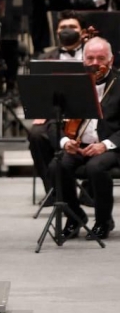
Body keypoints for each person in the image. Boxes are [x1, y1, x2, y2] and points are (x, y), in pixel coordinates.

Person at [48, 37, 120, 240]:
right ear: (83, 60)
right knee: (56, 167)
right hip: (79, 146)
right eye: (90, 58)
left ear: (111, 60)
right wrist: (65, 142)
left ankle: (103, 221)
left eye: (101, 58)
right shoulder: (71, 84)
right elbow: (53, 122)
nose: (95, 63)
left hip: (112, 147)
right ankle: (75, 216)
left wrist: (105, 145)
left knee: (96, 167)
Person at [27, 11, 87, 205]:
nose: (67, 31)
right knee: (36, 134)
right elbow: (37, 91)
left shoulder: (94, 54)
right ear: (56, 32)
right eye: (63, 28)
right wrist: (40, 110)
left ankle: (90, 189)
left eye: (73, 27)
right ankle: (54, 190)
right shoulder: (45, 58)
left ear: (83, 32)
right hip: (55, 115)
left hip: (88, 116)